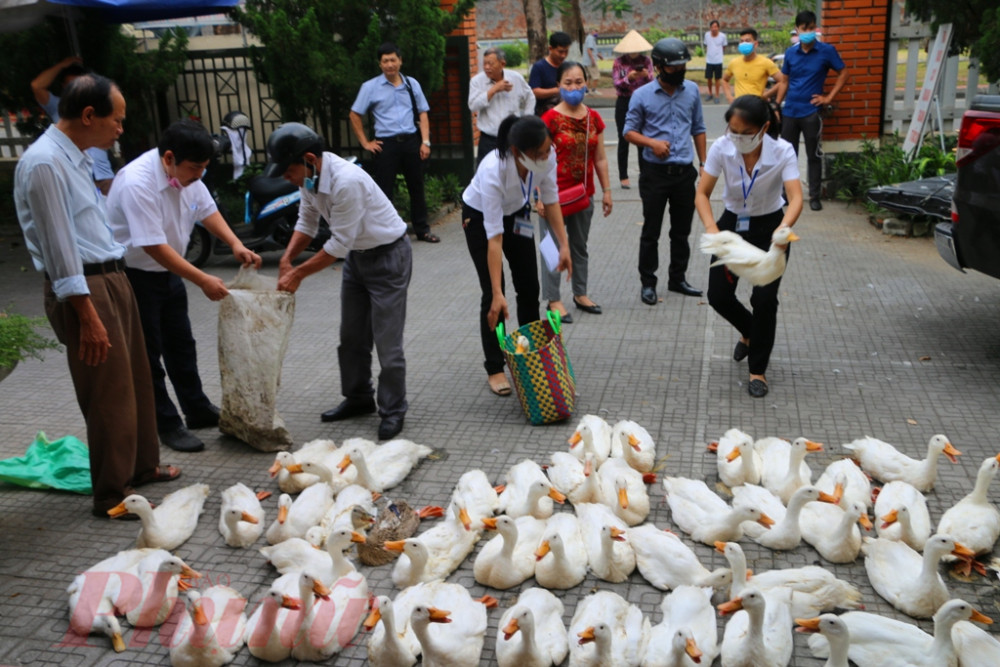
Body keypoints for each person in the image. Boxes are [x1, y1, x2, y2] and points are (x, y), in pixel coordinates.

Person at [13, 74, 177, 519]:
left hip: (111, 278)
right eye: (117, 120)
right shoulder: (45, 163)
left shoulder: (79, 158)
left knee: (137, 379)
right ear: (89, 116)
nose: (121, 129)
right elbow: (58, 244)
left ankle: (142, 469)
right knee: (108, 392)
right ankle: (111, 492)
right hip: (83, 288)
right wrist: (85, 312)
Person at [105, 120, 262, 453]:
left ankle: (196, 408)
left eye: (205, 168)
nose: (199, 175)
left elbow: (207, 210)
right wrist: (202, 278)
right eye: (195, 168)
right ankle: (166, 423)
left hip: (168, 272)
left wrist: (235, 243)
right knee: (148, 354)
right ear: (169, 158)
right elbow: (152, 246)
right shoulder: (137, 183)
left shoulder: (188, 174)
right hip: (135, 275)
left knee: (181, 344)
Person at [266, 123, 412, 441]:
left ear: (308, 158)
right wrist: (286, 259)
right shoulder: (309, 178)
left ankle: (393, 408)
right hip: (358, 260)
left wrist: (297, 274)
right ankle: (359, 398)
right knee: (351, 337)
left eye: (287, 170)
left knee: (388, 344)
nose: (285, 178)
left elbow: (337, 246)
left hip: (388, 258)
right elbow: (307, 222)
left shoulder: (347, 181)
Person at [695, 95, 803, 398]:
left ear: (764, 127)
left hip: (771, 227)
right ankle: (750, 332)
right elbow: (702, 194)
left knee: (765, 299)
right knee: (718, 295)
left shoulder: (782, 151)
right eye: (733, 130)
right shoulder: (721, 147)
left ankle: (758, 370)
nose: (737, 138)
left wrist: (784, 228)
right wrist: (713, 231)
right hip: (731, 226)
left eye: (744, 133)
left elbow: (795, 197)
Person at [461, 115, 571, 397]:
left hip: (518, 215)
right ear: (517, 152)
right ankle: (495, 367)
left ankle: (529, 353)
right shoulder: (493, 171)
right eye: (540, 153)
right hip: (481, 218)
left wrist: (564, 245)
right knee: (493, 297)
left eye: (548, 150)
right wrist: (499, 291)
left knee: (529, 288)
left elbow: (551, 199)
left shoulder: (547, 155)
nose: (547, 156)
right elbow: (494, 239)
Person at [624, 37, 707, 305]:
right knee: (651, 231)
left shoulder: (692, 91)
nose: (680, 70)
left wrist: (704, 164)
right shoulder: (642, 95)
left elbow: (699, 128)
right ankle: (648, 283)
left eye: (683, 65)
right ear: (659, 66)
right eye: (674, 67)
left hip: (685, 173)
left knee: (681, 232)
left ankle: (677, 279)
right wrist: (652, 143)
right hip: (655, 175)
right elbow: (628, 132)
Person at [539, 61, 612, 321]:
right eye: (568, 83)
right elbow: (536, 159)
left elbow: (600, 158)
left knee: (579, 246)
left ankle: (580, 293)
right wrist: (538, 194)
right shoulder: (548, 120)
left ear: (586, 83)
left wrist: (606, 191)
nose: (574, 87)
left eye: (579, 82)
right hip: (552, 196)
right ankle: (553, 300)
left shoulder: (594, 118)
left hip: (584, 194)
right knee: (552, 248)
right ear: (558, 85)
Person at [349, 42, 439, 243]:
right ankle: (387, 233)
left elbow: (423, 113)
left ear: (400, 61)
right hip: (386, 144)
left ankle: (422, 230)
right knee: (383, 190)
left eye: (393, 60)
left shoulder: (411, 84)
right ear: (380, 64)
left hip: (411, 142)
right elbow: (354, 114)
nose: (390, 64)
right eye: (385, 61)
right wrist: (365, 143)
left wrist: (425, 142)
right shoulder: (370, 87)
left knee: (416, 186)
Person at [776, 10, 848, 212]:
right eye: (804, 28)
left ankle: (814, 196)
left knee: (813, 155)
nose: (808, 32)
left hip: (812, 111)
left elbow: (843, 72)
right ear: (797, 30)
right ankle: (786, 193)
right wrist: (776, 104)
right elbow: (785, 80)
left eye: (811, 28)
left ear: (815, 28)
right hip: (790, 110)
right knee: (787, 155)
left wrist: (829, 97)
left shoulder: (826, 51)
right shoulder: (791, 53)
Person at [31, 56, 116, 195]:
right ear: (63, 87)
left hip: (105, 178)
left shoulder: (97, 105)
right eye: (70, 86)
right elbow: (36, 86)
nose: (75, 90)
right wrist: (62, 65)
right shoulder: (57, 106)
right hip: (79, 179)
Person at [468, 47, 534, 166]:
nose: (487, 67)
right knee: (486, 173)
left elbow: (530, 97)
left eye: (490, 64)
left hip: (512, 137)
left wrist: (527, 119)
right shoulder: (477, 81)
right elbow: (472, 105)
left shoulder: (515, 78)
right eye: (485, 64)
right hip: (489, 139)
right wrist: (493, 90)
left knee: (515, 171)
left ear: (502, 63)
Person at [611, 30, 654, 190]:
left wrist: (645, 75)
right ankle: (623, 176)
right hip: (624, 100)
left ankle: (645, 173)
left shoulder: (646, 61)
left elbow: (653, 80)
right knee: (624, 138)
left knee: (642, 138)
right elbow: (616, 82)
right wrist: (628, 78)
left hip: (643, 102)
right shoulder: (619, 62)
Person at [722, 28, 784, 103]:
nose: (744, 43)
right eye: (742, 41)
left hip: (757, 106)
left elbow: (782, 81)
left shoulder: (766, 63)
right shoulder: (734, 63)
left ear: (755, 44)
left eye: (747, 41)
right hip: (738, 106)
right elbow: (724, 80)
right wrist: (729, 97)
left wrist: (767, 95)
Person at [529, 31, 572, 116]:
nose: (563, 55)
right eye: (560, 52)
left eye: (566, 52)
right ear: (550, 49)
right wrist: (557, 90)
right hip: (544, 114)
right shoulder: (539, 67)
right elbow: (534, 91)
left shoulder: (567, 67)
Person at [703, 20, 727, 103]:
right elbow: (706, 45)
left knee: (717, 79)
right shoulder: (706, 35)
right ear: (710, 28)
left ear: (718, 27)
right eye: (712, 27)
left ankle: (717, 95)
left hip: (718, 60)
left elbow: (724, 47)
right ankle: (710, 93)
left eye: (716, 27)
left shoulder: (722, 36)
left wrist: (718, 54)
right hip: (709, 60)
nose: (714, 29)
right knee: (709, 78)